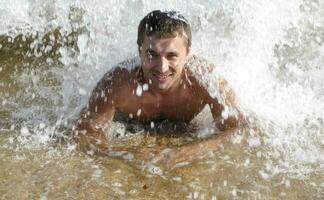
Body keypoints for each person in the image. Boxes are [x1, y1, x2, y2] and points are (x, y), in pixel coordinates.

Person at [73, 10, 244, 168]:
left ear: (188, 53)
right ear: (140, 52)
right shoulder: (117, 84)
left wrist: (193, 151)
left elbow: (240, 130)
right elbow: (83, 133)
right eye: (152, 54)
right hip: (129, 124)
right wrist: (127, 153)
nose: (162, 68)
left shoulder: (206, 80)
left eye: (172, 56)